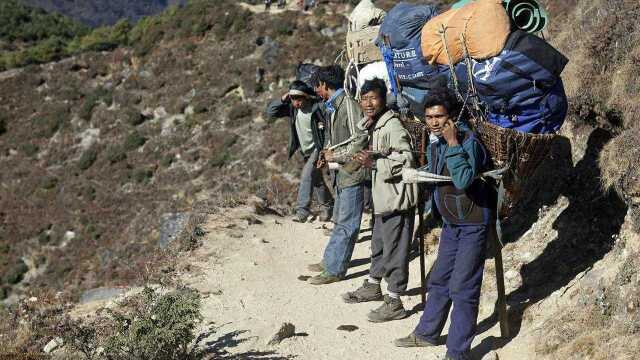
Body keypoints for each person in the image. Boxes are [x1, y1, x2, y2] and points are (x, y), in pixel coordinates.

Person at [394, 88, 493, 360]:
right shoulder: (435, 142)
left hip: (473, 223)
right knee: (439, 280)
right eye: (429, 117)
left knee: (463, 287)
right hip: (452, 224)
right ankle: (426, 334)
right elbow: (439, 176)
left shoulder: (467, 141)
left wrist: (452, 143)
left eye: (439, 116)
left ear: (452, 116)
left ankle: (458, 351)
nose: (434, 122)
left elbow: (462, 180)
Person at [341, 79, 418, 322]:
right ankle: (374, 285)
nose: (368, 103)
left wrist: (374, 163)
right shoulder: (376, 125)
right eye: (364, 99)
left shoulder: (392, 126)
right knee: (379, 244)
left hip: (396, 198)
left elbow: (406, 160)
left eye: (373, 98)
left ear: (384, 99)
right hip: (383, 197)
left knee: (395, 249)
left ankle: (395, 301)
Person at [307, 65, 369, 285]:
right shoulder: (334, 106)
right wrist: (327, 153)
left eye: (317, 86)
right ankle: (330, 261)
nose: (316, 91)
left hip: (353, 171)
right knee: (339, 220)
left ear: (324, 84)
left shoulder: (349, 106)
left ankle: (335, 269)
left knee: (347, 223)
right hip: (343, 172)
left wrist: (336, 154)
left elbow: (360, 139)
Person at [265, 80, 333, 223]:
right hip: (305, 150)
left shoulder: (317, 108)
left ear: (306, 97)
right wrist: (284, 98)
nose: (296, 102)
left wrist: (325, 149)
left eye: (298, 98)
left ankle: (302, 212)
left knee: (307, 176)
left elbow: (328, 128)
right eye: (293, 98)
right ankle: (329, 206)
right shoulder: (292, 109)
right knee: (316, 180)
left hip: (317, 148)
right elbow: (271, 112)